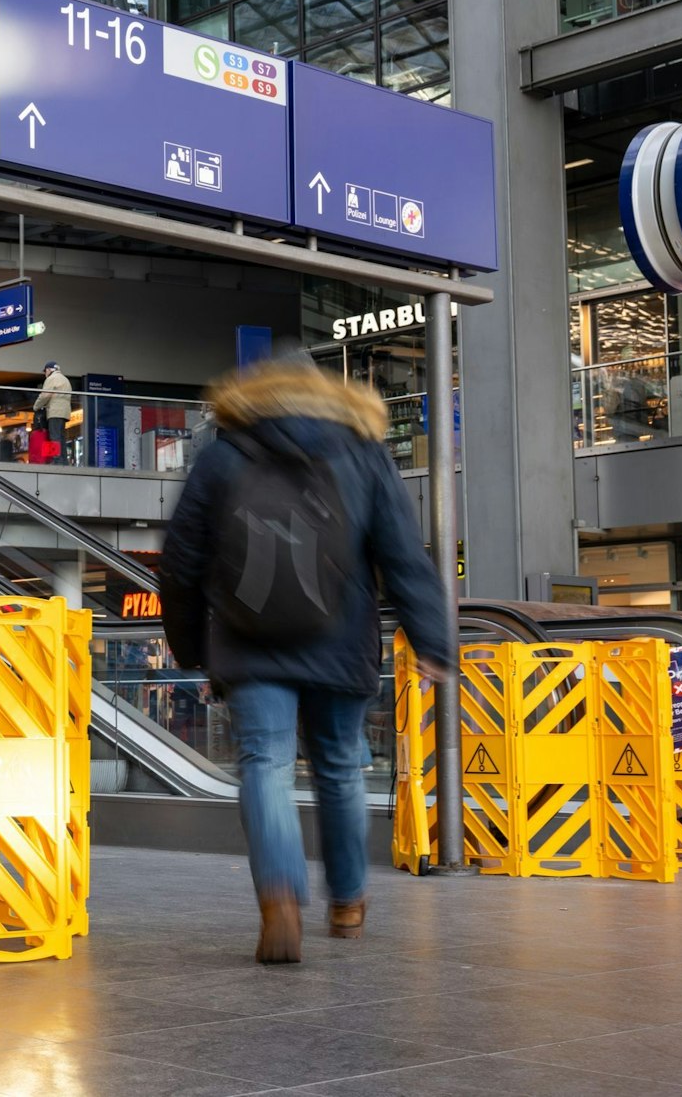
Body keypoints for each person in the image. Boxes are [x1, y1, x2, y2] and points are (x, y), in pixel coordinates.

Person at [160, 353, 452, 965]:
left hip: (248, 639)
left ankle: (281, 903)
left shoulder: (222, 455)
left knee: (264, 763)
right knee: (341, 766)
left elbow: (182, 563)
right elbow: (403, 553)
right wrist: (431, 640)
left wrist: (191, 646)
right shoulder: (363, 451)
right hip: (340, 639)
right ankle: (347, 901)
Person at [37, 361, 73, 465]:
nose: (45, 374)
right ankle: (63, 460)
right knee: (61, 437)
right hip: (64, 412)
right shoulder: (65, 380)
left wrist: (36, 406)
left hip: (55, 411)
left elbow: (45, 395)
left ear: (49, 370)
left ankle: (57, 460)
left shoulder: (51, 379)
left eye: (45, 371)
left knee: (54, 436)